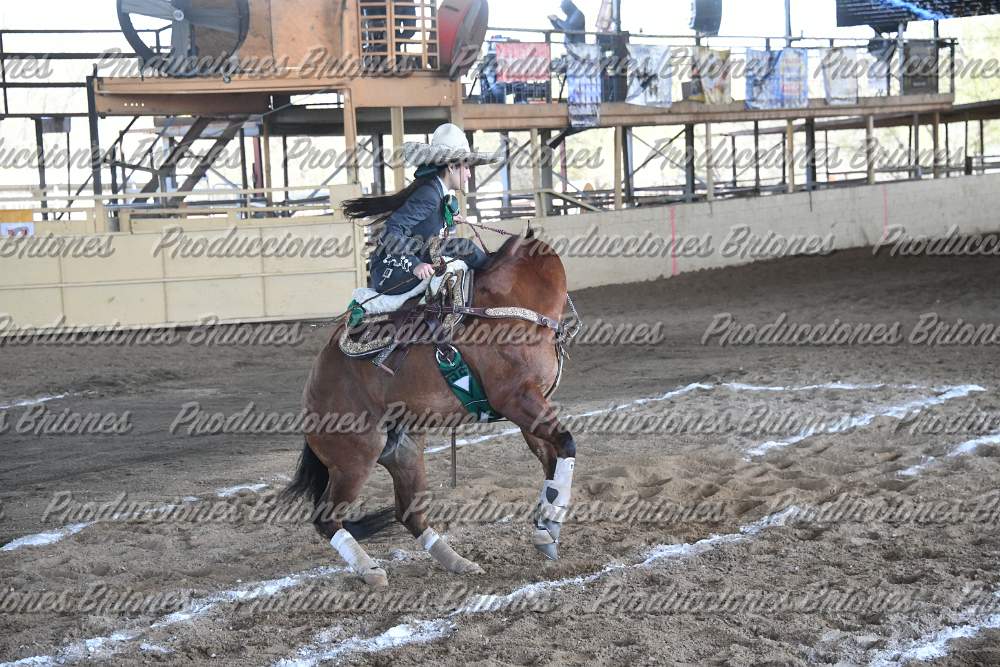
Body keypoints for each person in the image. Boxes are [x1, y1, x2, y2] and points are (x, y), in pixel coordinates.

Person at [343, 123, 500, 295]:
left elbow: (423, 222)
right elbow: (391, 229)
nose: (469, 174)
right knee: (465, 247)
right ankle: (497, 274)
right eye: (467, 167)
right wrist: (414, 265)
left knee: (464, 248)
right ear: (451, 166)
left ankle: (494, 271)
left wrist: (443, 219)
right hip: (393, 271)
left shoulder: (437, 192)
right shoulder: (430, 195)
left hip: (420, 251)